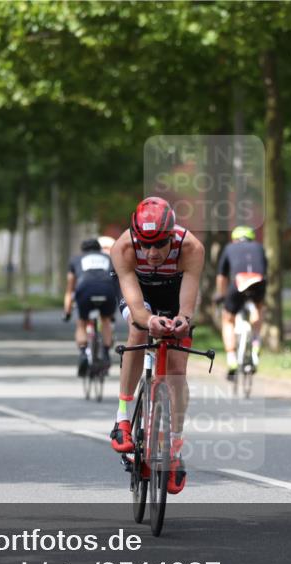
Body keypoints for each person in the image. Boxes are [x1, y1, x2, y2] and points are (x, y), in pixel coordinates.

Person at [109, 196, 204, 494]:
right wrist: (148, 320)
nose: (151, 252)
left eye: (160, 244)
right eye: (145, 244)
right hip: (139, 290)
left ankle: (174, 446)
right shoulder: (123, 248)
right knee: (138, 331)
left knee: (177, 367)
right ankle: (123, 417)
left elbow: (187, 307)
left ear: (172, 236)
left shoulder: (191, 248)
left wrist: (182, 321)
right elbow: (138, 310)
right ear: (136, 238)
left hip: (174, 291)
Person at [215, 225, 267, 377]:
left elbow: (221, 276)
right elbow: (264, 270)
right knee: (258, 309)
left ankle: (231, 359)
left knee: (228, 320)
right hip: (258, 281)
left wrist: (222, 295)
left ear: (235, 239)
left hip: (238, 283)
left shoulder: (230, 248)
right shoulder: (260, 247)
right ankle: (256, 341)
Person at [64, 239, 117, 375]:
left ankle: (83, 354)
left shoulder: (77, 259)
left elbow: (70, 290)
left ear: (83, 250)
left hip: (85, 290)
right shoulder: (109, 258)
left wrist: (67, 312)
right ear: (99, 249)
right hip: (107, 290)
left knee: (82, 323)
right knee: (105, 320)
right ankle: (105, 354)